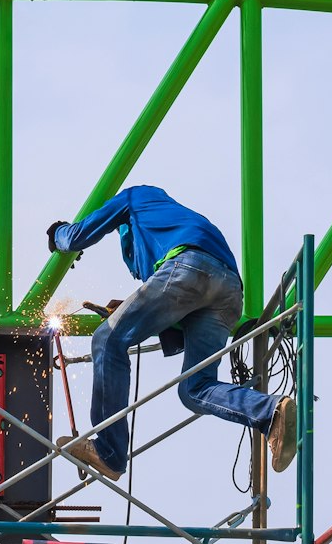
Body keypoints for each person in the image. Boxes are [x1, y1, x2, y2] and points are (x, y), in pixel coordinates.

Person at [46, 185, 295, 481]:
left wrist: (57, 234)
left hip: (186, 269)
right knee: (194, 390)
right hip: (228, 292)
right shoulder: (178, 221)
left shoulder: (134, 198)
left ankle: (109, 453)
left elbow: (77, 236)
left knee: (107, 340)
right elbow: (178, 301)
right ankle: (271, 412)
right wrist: (131, 308)